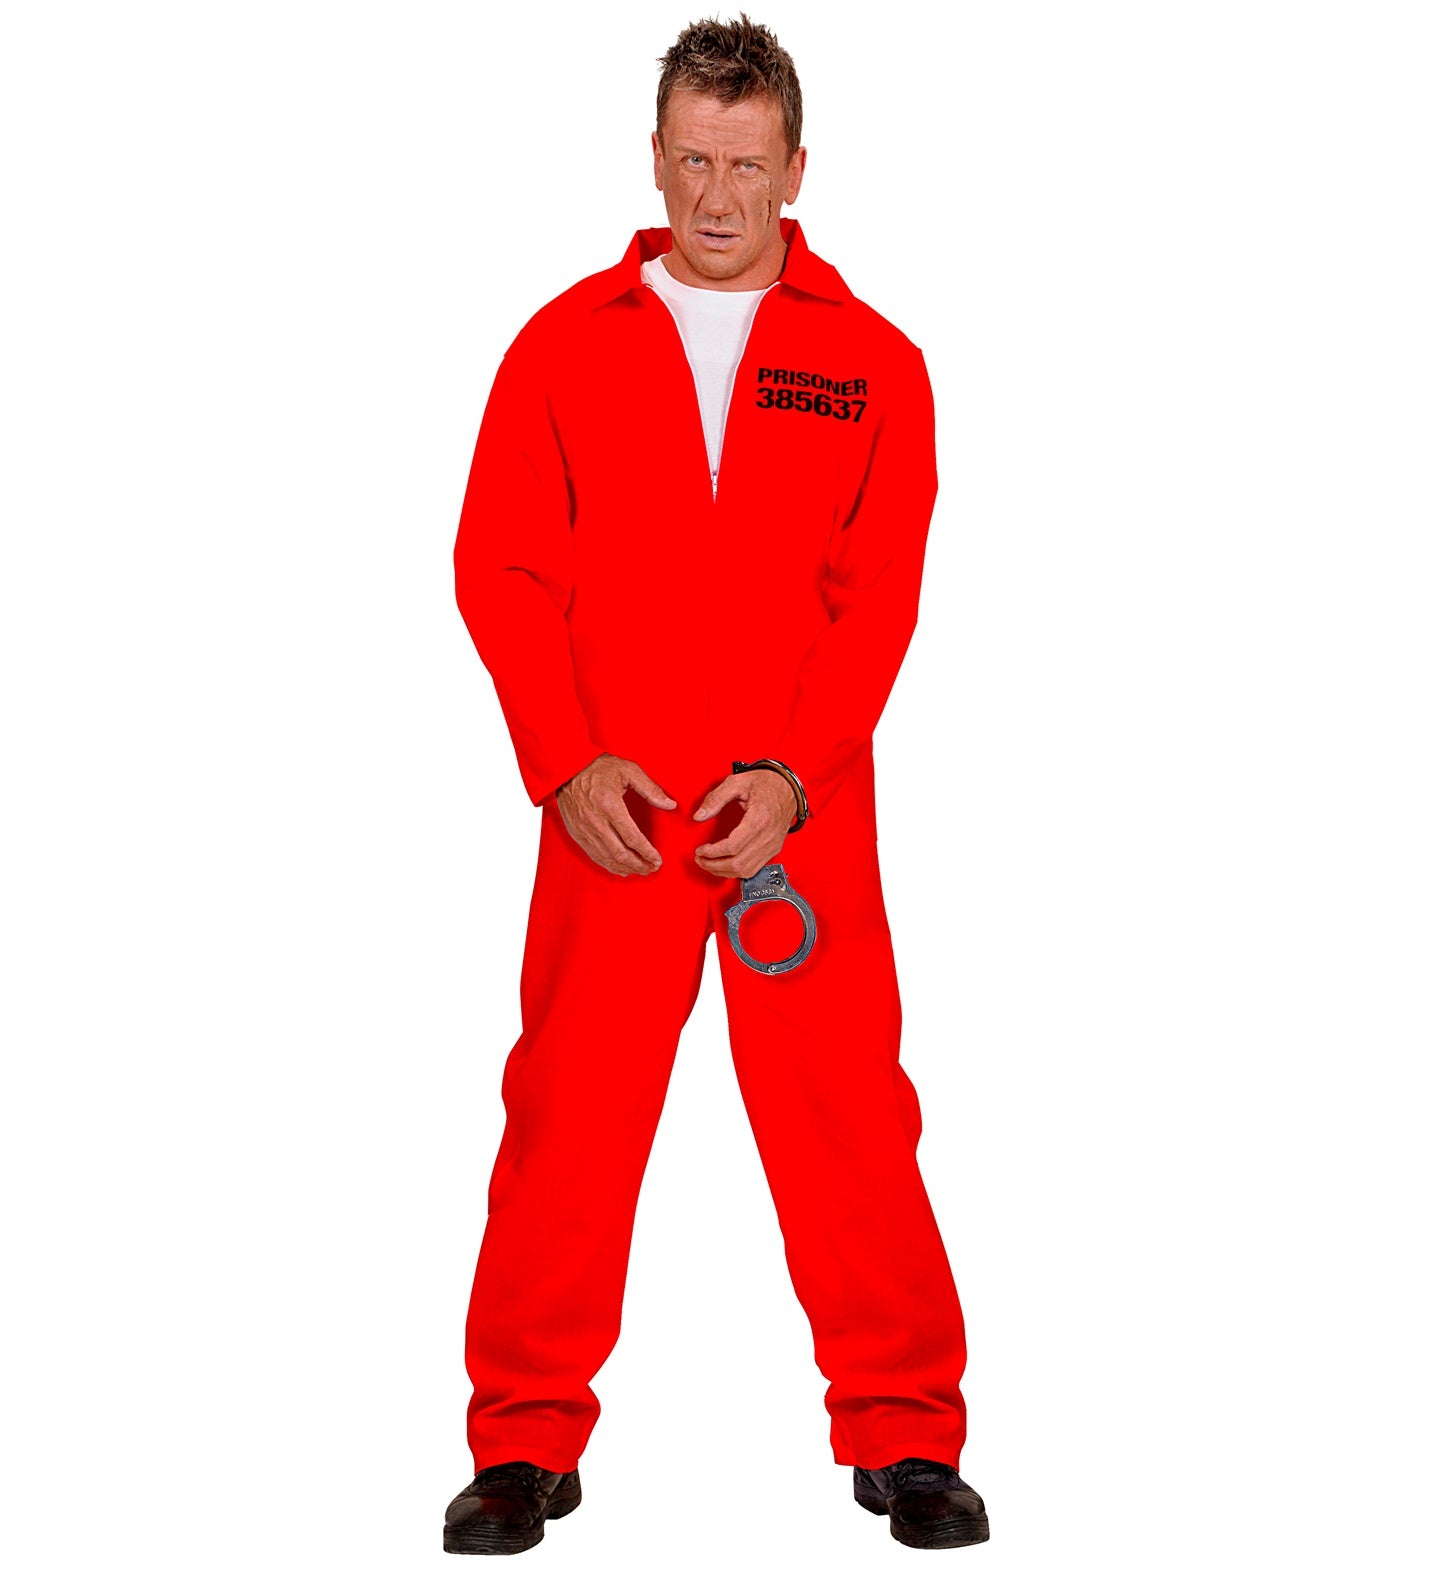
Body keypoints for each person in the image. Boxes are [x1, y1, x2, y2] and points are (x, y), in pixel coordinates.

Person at [443, 14, 988, 1556]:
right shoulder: (561, 347)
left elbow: (878, 599)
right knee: (565, 1115)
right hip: (613, 808)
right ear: (654, 157)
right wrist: (562, 761)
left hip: (790, 820)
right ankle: (522, 1441)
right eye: (692, 159)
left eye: (745, 165)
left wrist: (797, 775)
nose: (716, 195)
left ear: (796, 167)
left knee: (846, 1116)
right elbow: (501, 568)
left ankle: (904, 1431)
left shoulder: (870, 364)